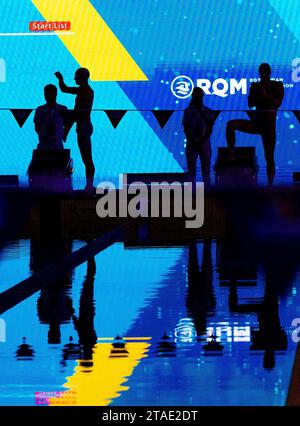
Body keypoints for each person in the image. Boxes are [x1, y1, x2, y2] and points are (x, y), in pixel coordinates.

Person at [226, 63, 284, 185]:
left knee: (269, 157)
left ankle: (270, 185)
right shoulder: (255, 85)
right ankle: (231, 153)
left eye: (264, 72)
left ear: (269, 73)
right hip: (257, 122)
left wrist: (265, 95)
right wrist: (258, 94)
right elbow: (250, 104)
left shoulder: (277, 85)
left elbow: (278, 103)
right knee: (231, 125)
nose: (262, 75)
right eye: (261, 72)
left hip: (269, 125)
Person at [54, 68, 95, 192]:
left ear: (82, 77)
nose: (74, 78)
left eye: (76, 76)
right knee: (86, 159)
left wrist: (66, 130)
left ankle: (89, 186)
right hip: (83, 127)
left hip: (84, 128)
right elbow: (65, 89)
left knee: (87, 159)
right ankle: (89, 185)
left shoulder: (85, 91)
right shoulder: (83, 90)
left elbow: (76, 114)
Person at [182, 87, 217, 185]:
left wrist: (201, 141)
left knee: (205, 169)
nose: (198, 97)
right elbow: (186, 128)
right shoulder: (188, 111)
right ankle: (191, 191)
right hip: (192, 143)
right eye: (196, 95)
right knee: (191, 168)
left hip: (204, 143)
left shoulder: (207, 111)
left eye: (199, 95)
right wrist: (194, 142)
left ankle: (207, 190)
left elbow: (210, 129)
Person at [34, 84, 67, 150]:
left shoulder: (62, 109)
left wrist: (61, 135)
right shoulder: (39, 110)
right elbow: (37, 127)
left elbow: (67, 123)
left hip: (57, 145)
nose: (47, 95)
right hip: (43, 144)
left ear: (55, 94)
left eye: (50, 93)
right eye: (46, 93)